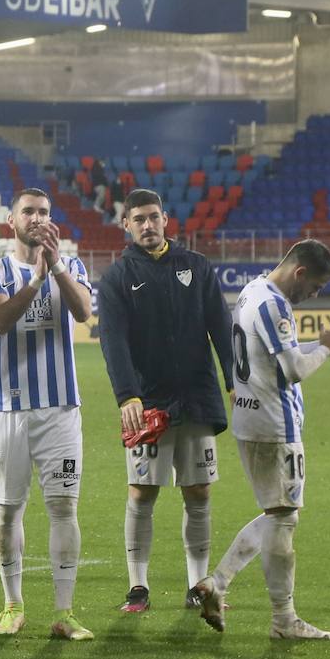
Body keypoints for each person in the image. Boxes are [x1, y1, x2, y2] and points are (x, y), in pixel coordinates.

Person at [191, 240, 330, 639]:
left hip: (249, 420)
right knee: (284, 518)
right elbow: (293, 370)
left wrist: (329, 347)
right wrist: (326, 346)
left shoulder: (253, 290)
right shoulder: (275, 305)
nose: (314, 295)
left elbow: (273, 356)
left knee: (278, 513)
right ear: (300, 272)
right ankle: (282, 620)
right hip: (275, 426)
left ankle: (215, 584)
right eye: (316, 286)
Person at [97, 189, 234, 615]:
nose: (147, 225)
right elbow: (113, 343)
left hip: (197, 397)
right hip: (148, 402)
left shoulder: (196, 266)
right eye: (138, 219)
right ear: (127, 225)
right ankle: (138, 586)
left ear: (166, 219)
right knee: (142, 492)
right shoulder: (118, 278)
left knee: (198, 490)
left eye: (153, 217)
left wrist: (235, 381)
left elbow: (221, 326)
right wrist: (127, 395)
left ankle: (198, 583)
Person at [0, 188, 95, 641]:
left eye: (44, 212)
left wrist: (57, 267)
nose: (37, 218)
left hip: (60, 408)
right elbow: (1, 320)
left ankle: (64, 612)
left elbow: (84, 312)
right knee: (7, 513)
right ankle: (12, 605)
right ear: (12, 220)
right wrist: (35, 279)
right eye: (29, 211)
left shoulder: (74, 265)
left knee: (64, 507)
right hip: (9, 411)